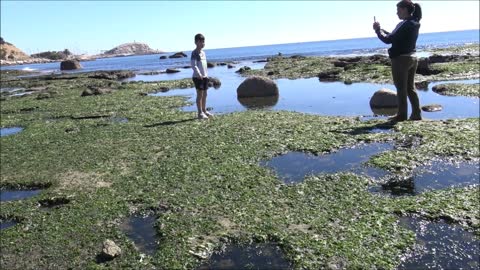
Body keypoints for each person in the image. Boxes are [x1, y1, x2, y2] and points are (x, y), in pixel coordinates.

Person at [373, 0, 422, 122]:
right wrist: (382, 30)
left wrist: (377, 30)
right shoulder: (414, 22)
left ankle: (401, 115)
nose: (397, 13)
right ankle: (416, 114)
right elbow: (395, 37)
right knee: (410, 88)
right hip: (412, 58)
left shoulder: (404, 24)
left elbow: (388, 40)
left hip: (400, 60)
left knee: (401, 88)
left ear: (405, 9)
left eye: (398, 10)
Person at [191, 33, 213, 119]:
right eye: (201, 41)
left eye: (203, 41)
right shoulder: (194, 53)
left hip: (205, 77)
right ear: (196, 42)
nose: (203, 43)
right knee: (199, 95)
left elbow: (204, 65)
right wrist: (199, 74)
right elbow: (193, 65)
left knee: (205, 94)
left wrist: (206, 75)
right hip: (197, 77)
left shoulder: (203, 53)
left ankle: (204, 110)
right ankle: (200, 113)